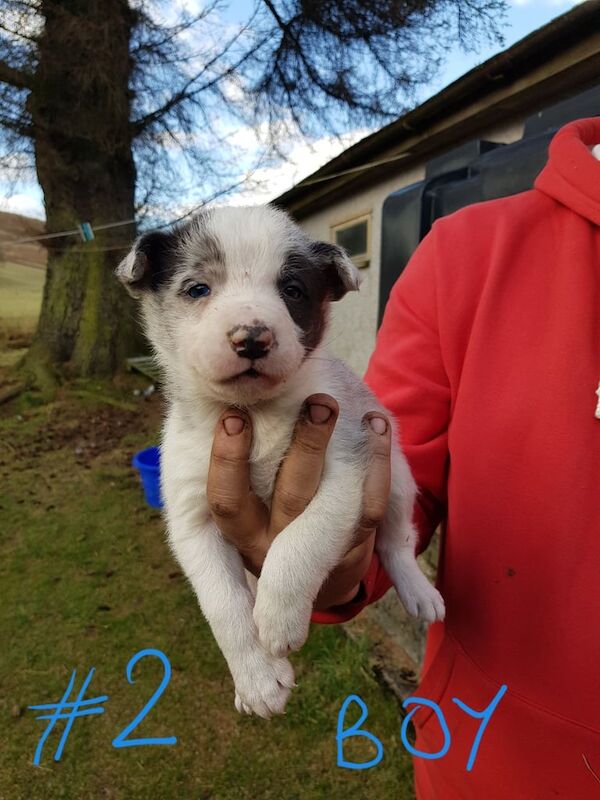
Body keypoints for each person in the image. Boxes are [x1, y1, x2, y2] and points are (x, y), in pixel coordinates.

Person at [205, 117, 600, 798]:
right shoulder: (469, 253)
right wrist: (331, 570)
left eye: (290, 290)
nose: (250, 324)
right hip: (500, 759)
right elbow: (383, 474)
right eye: (200, 290)